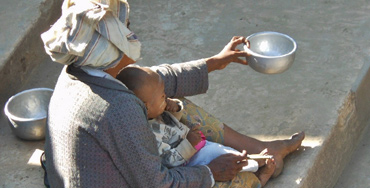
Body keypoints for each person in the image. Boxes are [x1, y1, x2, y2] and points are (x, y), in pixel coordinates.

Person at [40, 0, 305, 187]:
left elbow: (158, 78)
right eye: (126, 30)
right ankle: (260, 173)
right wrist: (210, 172)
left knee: (162, 96)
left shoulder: (82, 69)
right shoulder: (117, 109)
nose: (132, 33)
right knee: (238, 180)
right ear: (110, 51)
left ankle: (264, 149)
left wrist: (215, 61)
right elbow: (157, 184)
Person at [116, 66, 276, 187]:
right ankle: (259, 172)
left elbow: (174, 120)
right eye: (161, 96)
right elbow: (169, 161)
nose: (165, 97)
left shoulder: (156, 112)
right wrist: (188, 145)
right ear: (144, 106)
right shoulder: (147, 134)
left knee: (225, 154)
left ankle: (255, 162)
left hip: (198, 148)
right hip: (189, 163)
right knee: (227, 162)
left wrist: (175, 107)